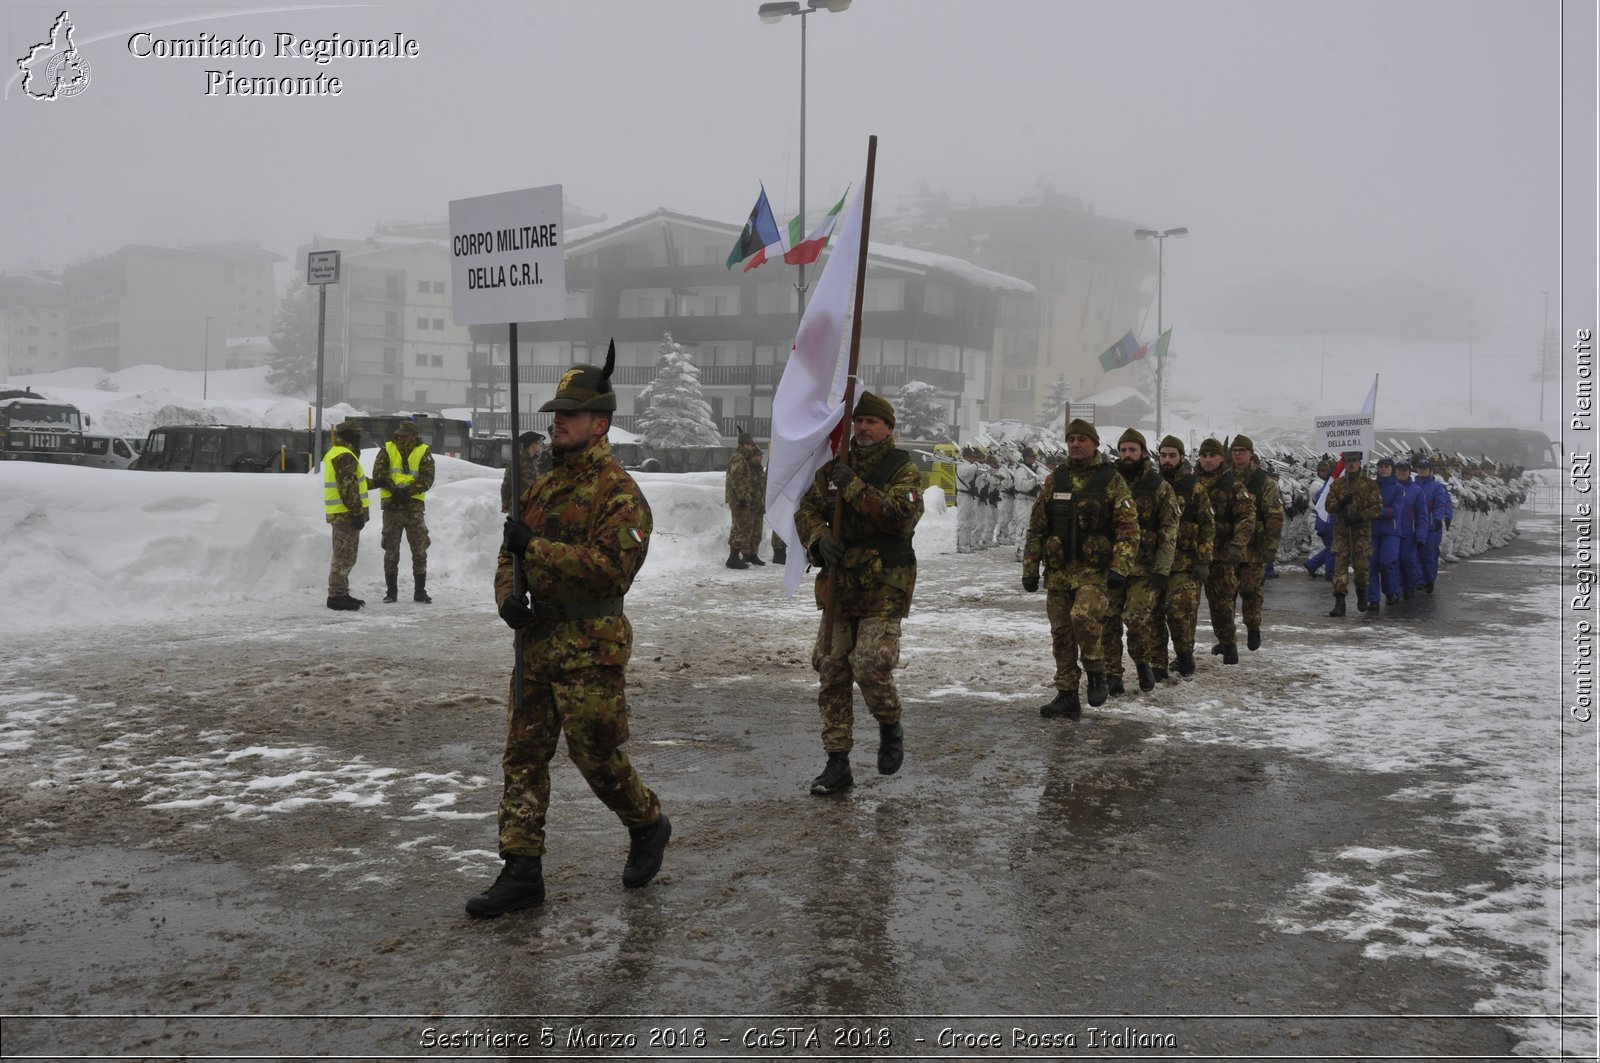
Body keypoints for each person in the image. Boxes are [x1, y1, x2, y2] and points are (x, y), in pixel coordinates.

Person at [473, 347, 669, 918]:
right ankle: (521, 870)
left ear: (599, 424)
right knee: (523, 755)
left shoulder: (620, 493)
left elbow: (611, 568)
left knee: (596, 757)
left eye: (569, 415)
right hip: (535, 644)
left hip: (591, 644)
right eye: (555, 413)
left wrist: (535, 549)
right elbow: (509, 558)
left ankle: (647, 823)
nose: (555, 422)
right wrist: (508, 596)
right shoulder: (539, 489)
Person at [793, 391, 923, 796]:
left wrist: (854, 488)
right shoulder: (833, 468)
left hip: (884, 584)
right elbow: (806, 509)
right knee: (831, 670)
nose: (863, 428)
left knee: (870, 664)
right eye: (859, 421)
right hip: (839, 585)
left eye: (872, 422)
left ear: (888, 428)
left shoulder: (903, 470)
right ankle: (837, 764)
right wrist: (818, 538)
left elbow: (898, 520)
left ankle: (889, 723)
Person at [1022, 419, 1139, 718]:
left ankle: (1096, 670)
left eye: (1081, 440)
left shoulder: (1111, 480)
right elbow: (1037, 528)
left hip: (1095, 571)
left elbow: (1128, 530)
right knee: (1061, 633)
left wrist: (1120, 567)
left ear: (1095, 444)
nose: (1075, 444)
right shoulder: (1055, 479)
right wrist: (1030, 568)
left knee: (1083, 616)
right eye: (1071, 439)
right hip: (1060, 571)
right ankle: (1066, 694)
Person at [1102, 429, 1179, 694]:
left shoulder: (1159, 487)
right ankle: (1112, 672)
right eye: (1123, 450)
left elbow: (1169, 530)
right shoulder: (1109, 482)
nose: (1127, 455)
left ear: (1143, 453)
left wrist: (1162, 568)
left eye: (1132, 450)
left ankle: (1142, 661)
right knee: (1108, 618)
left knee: (1135, 619)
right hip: (1112, 566)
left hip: (1144, 568)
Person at [1155, 435, 1215, 678]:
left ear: (1181, 457)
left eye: (1172, 455)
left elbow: (1208, 525)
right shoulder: (1153, 484)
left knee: (1180, 613)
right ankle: (1157, 663)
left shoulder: (1194, 487)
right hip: (1156, 563)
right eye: (1163, 455)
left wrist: (1203, 560)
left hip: (1185, 563)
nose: (1167, 460)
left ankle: (1184, 654)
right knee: (1152, 615)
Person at [1194, 437, 1254, 664]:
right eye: (1204, 455)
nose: (1208, 460)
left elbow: (1247, 517)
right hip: (1194, 554)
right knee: (1187, 608)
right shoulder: (1192, 482)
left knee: (1221, 604)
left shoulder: (1233, 485)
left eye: (1212, 455)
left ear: (1221, 458)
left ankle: (1229, 646)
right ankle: (1185, 653)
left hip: (1221, 555)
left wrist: (1238, 544)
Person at [370, 420, 435, 604]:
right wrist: (394, 490)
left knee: (420, 551)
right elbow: (379, 473)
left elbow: (428, 477)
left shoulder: (423, 451)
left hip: (413, 508)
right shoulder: (387, 448)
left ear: (414, 436)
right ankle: (391, 592)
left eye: (405, 435)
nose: (401, 437)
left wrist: (408, 492)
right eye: (399, 434)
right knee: (391, 551)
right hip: (392, 508)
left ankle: (420, 591)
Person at [1228, 435, 1284, 651]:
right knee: (1226, 594)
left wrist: (1271, 546)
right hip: (1229, 547)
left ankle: (1253, 627)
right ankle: (1227, 638)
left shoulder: (1263, 482)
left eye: (1242, 450)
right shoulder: (1226, 478)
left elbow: (1274, 516)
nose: (1238, 454)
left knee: (1250, 591)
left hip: (1253, 548)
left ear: (1250, 453)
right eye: (1234, 450)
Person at [1324, 450, 1382, 616]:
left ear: (1360, 462)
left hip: (1361, 532)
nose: (1351, 464)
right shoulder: (1338, 484)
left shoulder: (1369, 484)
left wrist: (1360, 517)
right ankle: (1339, 602)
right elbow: (1329, 506)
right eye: (1348, 461)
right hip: (1342, 531)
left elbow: (1377, 507)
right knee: (1340, 568)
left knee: (1361, 568)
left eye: (1354, 461)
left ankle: (1362, 593)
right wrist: (1341, 503)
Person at [322, 420, 370, 611]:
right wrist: (357, 512)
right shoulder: (344, 455)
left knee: (345, 555)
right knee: (343, 556)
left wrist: (378, 483)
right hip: (346, 514)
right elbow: (348, 488)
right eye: (357, 434)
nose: (359, 438)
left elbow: (353, 482)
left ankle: (341, 592)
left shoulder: (340, 453)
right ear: (350, 436)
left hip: (342, 513)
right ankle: (335, 596)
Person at [1365, 456, 1404, 611]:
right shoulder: (1371, 486)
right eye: (1381, 466)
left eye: (1386, 466)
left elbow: (1394, 511)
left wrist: (1374, 511)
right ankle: (1373, 598)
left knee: (1386, 563)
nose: (1383, 469)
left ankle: (1389, 591)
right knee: (1371, 564)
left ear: (1391, 469)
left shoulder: (1398, 488)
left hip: (1391, 531)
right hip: (1372, 531)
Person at [724, 430, 767, 569]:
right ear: (743, 445)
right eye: (750, 444)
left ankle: (735, 556)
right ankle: (733, 558)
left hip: (743, 499)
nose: (752, 447)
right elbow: (737, 480)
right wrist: (743, 497)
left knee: (741, 527)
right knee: (739, 527)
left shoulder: (742, 459)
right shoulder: (738, 459)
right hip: (738, 500)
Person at [1412, 456, 1453, 592]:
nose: (1422, 471)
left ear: (1430, 471)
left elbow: (1441, 504)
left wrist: (1438, 518)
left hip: (1430, 524)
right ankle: (1419, 580)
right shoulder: (1412, 484)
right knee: (1414, 553)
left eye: (1425, 469)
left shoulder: (1437, 486)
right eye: (1420, 468)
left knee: (1429, 554)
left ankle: (1430, 579)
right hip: (1414, 523)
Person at [1392, 458, 1422, 598]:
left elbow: (1422, 515)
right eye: (1399, 470)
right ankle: (1394, 589)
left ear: (1409, 472)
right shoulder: (1389, 487)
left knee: (1407, 561)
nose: (1401, 473)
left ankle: (1410, 586)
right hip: (1391, 531)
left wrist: (1421, 534)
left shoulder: (1416, 490)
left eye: (1404, 470)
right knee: (1393, 562)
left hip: (1408, 532)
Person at [500, 431, 545, 514]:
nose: (541, 445)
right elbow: (507, 484)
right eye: (539, 442)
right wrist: (505, 504)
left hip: (533, 508)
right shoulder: (517, 460)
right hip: (519, 509)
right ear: (532, 444)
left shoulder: (534, 461)